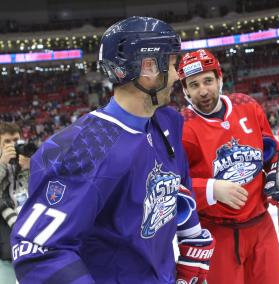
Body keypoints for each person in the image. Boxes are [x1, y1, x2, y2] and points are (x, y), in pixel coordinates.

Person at [10, 17, 214, 284]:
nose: (178, 75)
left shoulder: (168, 121)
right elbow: (37, 250)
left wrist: (191, 240)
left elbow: (177, 188)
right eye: (174, 64)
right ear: (149, 68)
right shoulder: (86, 148)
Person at [177, 49, 279, 284]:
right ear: (185, 90)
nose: (203, 90)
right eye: (194, 84)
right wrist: (211, 189)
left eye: (208, 81)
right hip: (216, 235)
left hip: (261, 226)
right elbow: (173, 186)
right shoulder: (182, 126)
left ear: (220, 79)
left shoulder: (247, 105)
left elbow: (271, 156)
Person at [0, 122, 31, 284]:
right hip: (3, 212)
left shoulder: (24, 156)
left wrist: (27, 168)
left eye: (15, 140)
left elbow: (34, 190)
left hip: (25, 207)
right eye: (6, 141)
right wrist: (2, 164)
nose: (12, 145)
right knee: (9, 251)